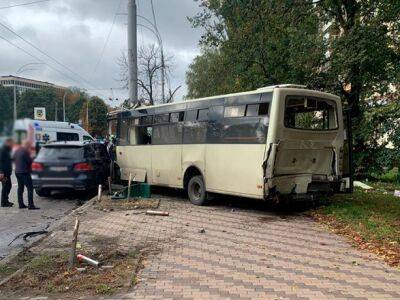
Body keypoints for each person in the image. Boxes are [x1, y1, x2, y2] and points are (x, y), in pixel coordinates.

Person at [14, 140, 39, 210]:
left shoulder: (17, 150)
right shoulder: (26, 152)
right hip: (24, 172)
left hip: (17, 172)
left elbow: (14, 159)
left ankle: (21, 204)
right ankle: (31, 205)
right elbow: (29, 162)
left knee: (20, 188)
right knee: (30, 188)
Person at [0, 138, 14, 207]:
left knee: (8, 186)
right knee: (5, 187)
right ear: (8, 142)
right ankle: (3, 202)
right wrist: (1, 172)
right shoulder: (3, 150)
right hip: (4, 173)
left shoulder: (8, 150)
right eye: (11, 143)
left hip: (7, 172)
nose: (12, 144)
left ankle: (6, 200)